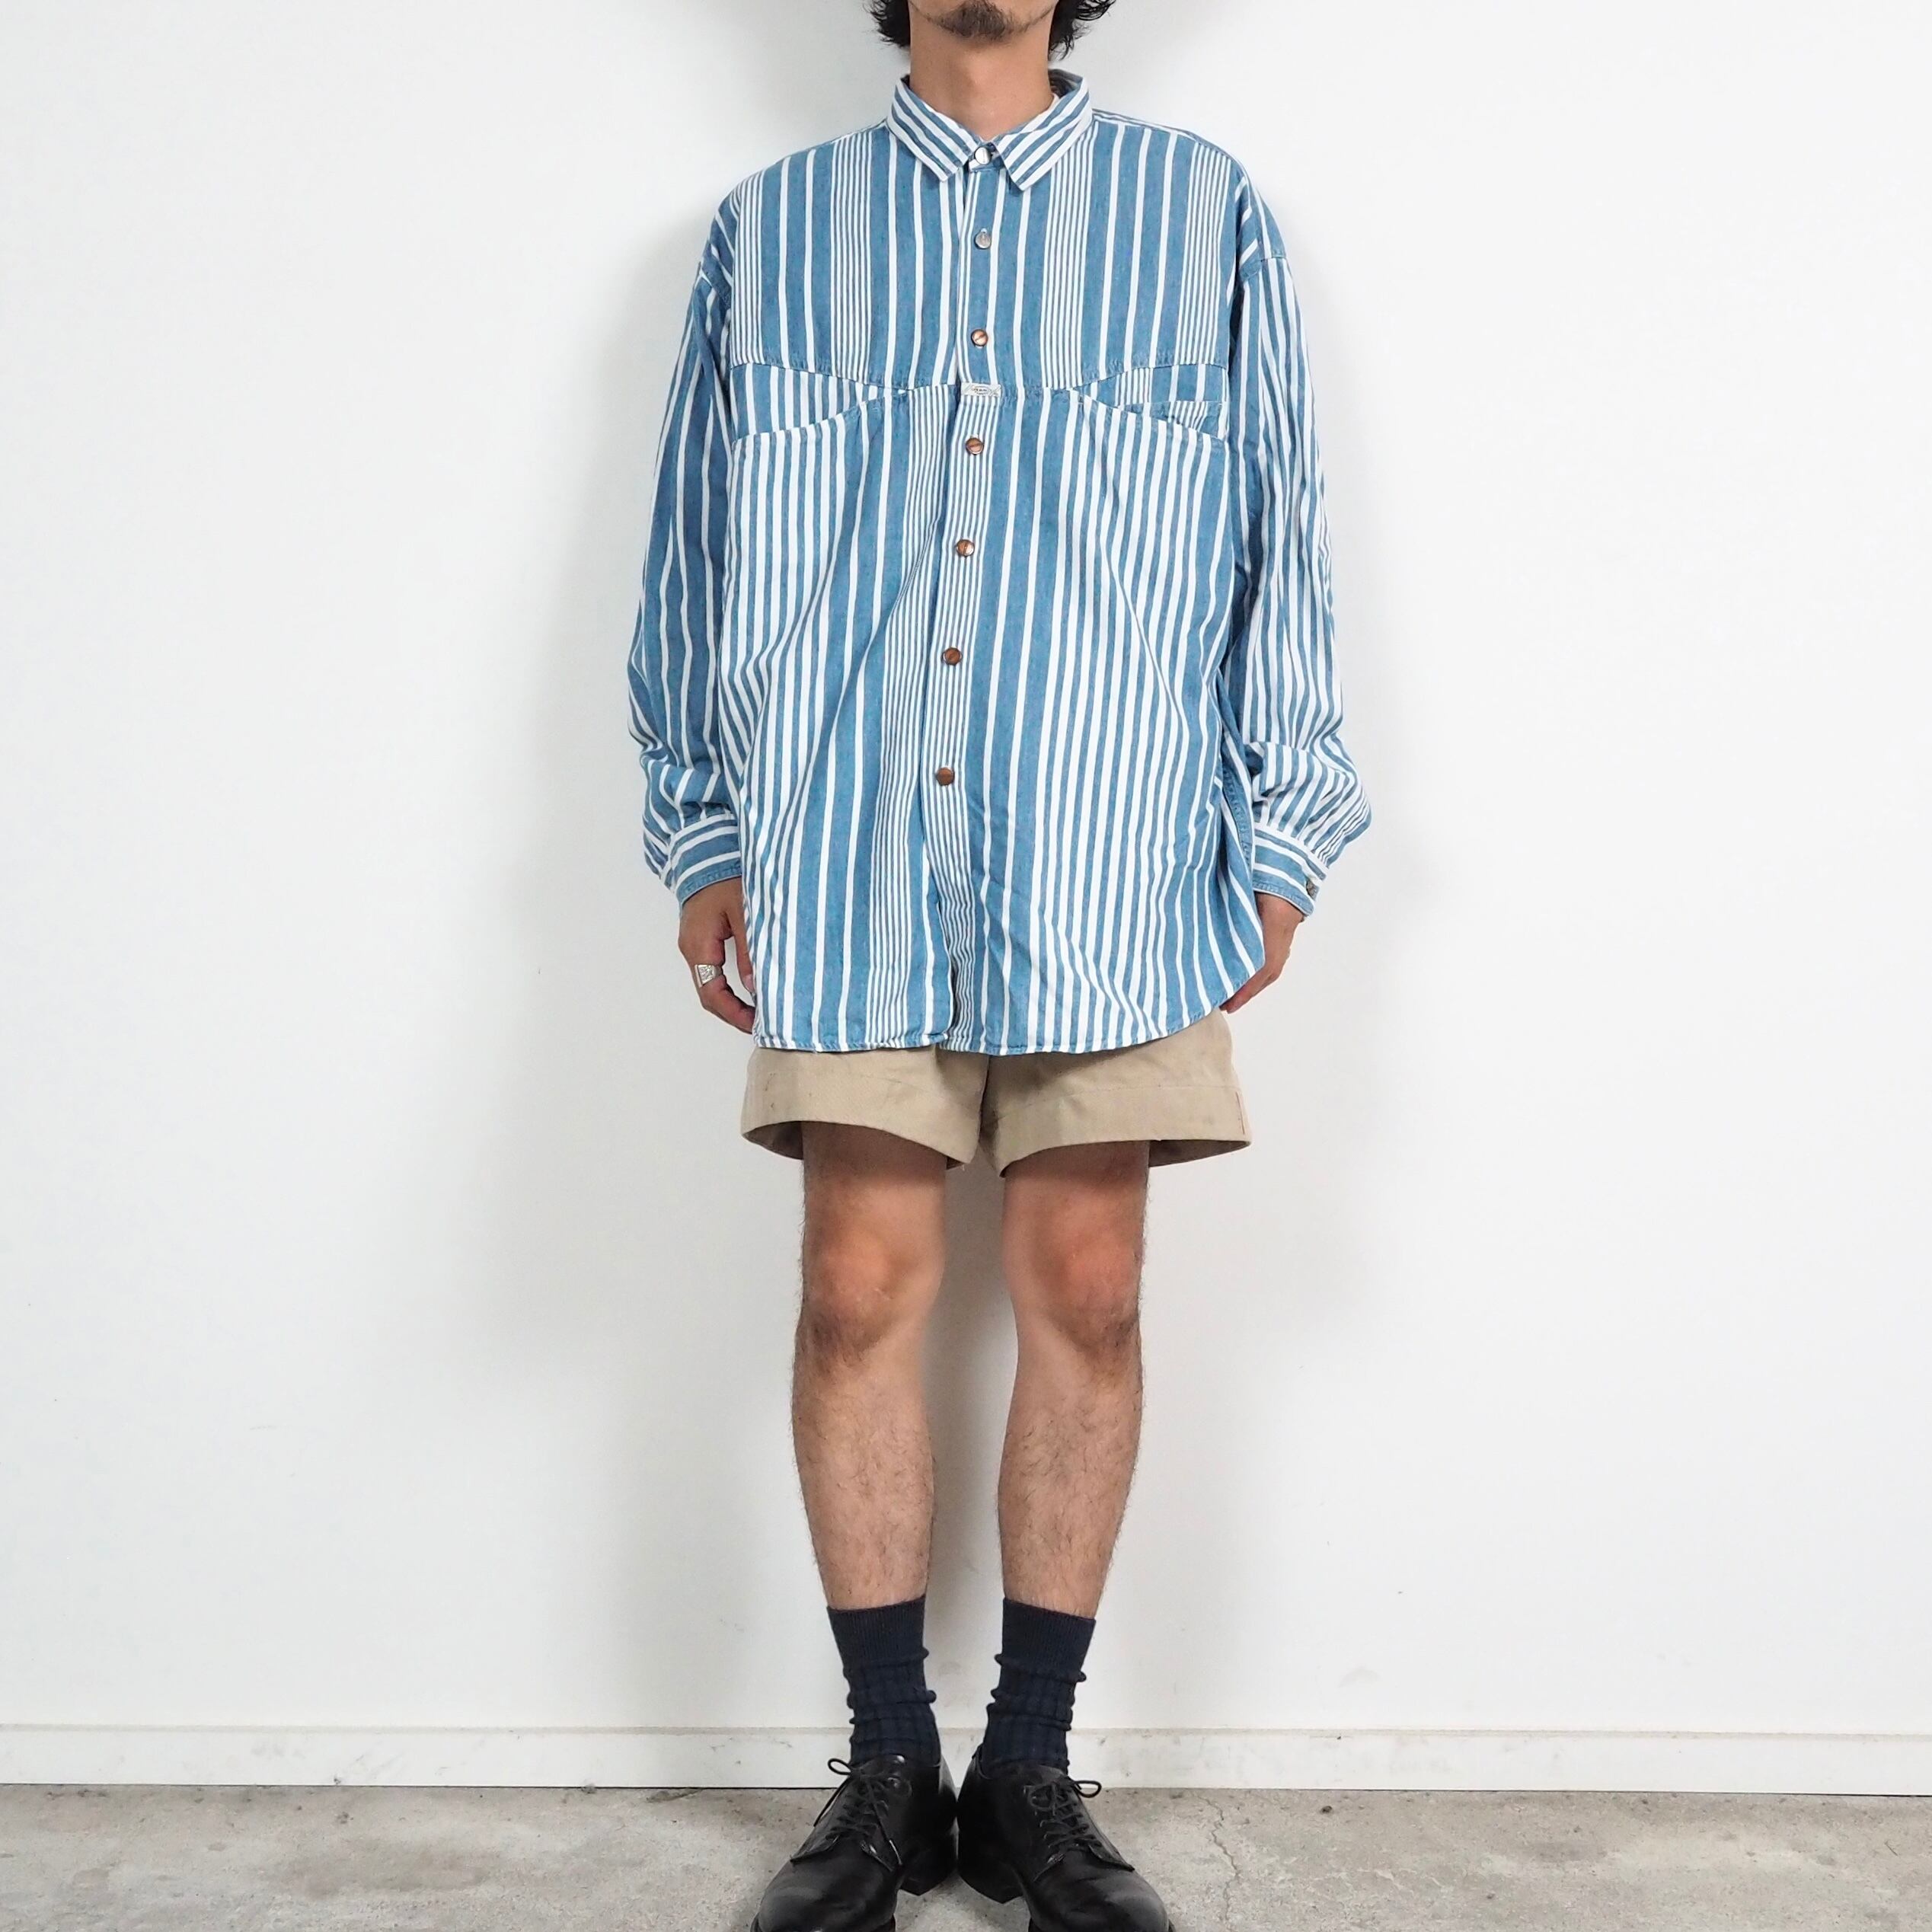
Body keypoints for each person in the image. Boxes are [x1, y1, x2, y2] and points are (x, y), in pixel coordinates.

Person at [627, 1, 1368, 1924]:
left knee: (1092, 1293)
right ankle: (887, 1771)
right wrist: (705, 830)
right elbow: (693, 548)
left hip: (1115, 855)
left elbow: (1281, 531)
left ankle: (1031, 1769)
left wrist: (1284, 831)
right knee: (855, 1291)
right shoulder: (773, 229)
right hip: (845, 849)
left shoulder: (1200, 215)